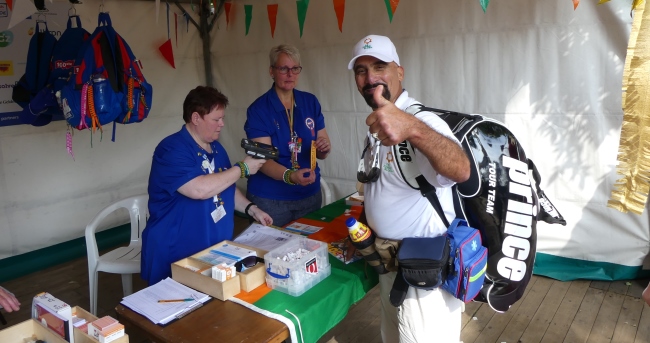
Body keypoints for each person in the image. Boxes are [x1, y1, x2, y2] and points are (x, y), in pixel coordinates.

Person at [348, 35, 471, 342]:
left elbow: (461, 169)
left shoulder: (422, 120)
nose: (370, 77)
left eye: (379, 66)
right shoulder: (377, 125)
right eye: (361, 71)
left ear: (399, 72)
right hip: (391, 264)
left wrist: (413, 128)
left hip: (425, 274)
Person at [141, 86, 273, 286]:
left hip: (212, 251)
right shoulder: (171, 149)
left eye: (222, 118)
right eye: (216, 119)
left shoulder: (216, 147)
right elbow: (199, 190)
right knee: (178, 310)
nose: (222, 124)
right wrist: (243, 168)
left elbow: (224, 184)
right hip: (176, 250)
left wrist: (251, 208)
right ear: (196, 118)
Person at [244, 44, 331, 227]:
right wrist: (291, 176)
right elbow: (262, 161)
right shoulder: (259, 109)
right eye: (283, 69)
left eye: (295, 69)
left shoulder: (310, 102)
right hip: (271, 199)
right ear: (272, 71)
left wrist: (324, 148)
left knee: (309, 249)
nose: (290, 74)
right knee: (272, 252)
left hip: (309, 194)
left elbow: (322, 146)